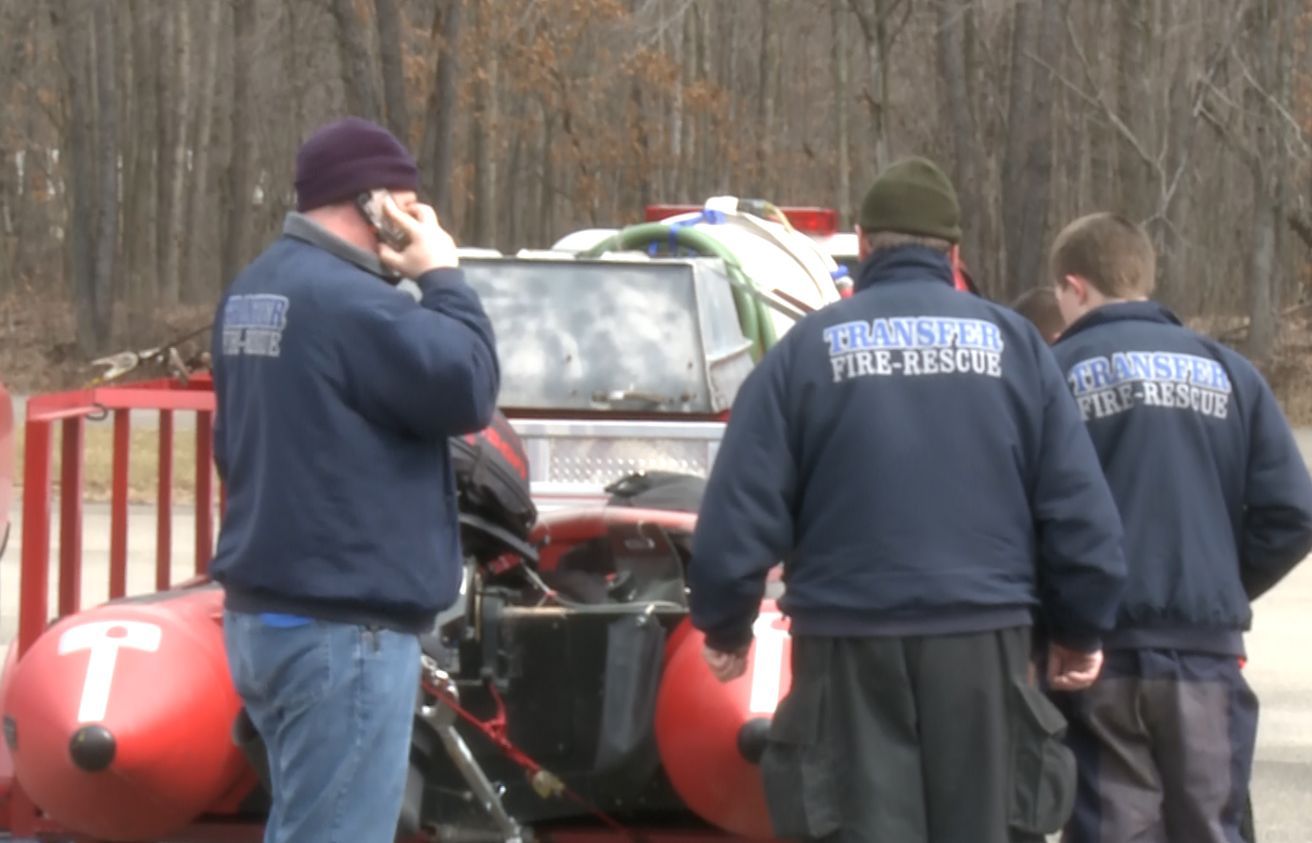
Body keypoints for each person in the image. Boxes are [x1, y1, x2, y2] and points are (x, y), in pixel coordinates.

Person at [687, 156, 1128, 843]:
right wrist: (1080, 625)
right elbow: (1076, 508)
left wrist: (725, 623)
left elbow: (739, 506)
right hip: (984, 644)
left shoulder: (804, 352)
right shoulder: (1017, 347)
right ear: (953, 252)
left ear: (863, 245)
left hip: (846, 643)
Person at [209, 116, 500, 843]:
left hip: (267, 616)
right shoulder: (350, 303)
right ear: (374, 204)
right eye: (406, 204)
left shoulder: (254, 289)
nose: (414, 220)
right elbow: (467, 384)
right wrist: (442, 275)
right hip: (344, 632)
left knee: (306, 823)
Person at [1046, 212, 1312, 843]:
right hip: (1205, 655)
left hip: (1098, 651)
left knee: (1114, 826)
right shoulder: (1231, 374)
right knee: (1210, 824)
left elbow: (1030, 509)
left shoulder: (1053, 376)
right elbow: (1294, 512)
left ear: (1075, 287)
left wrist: (1061, 610)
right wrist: (1221, 582)